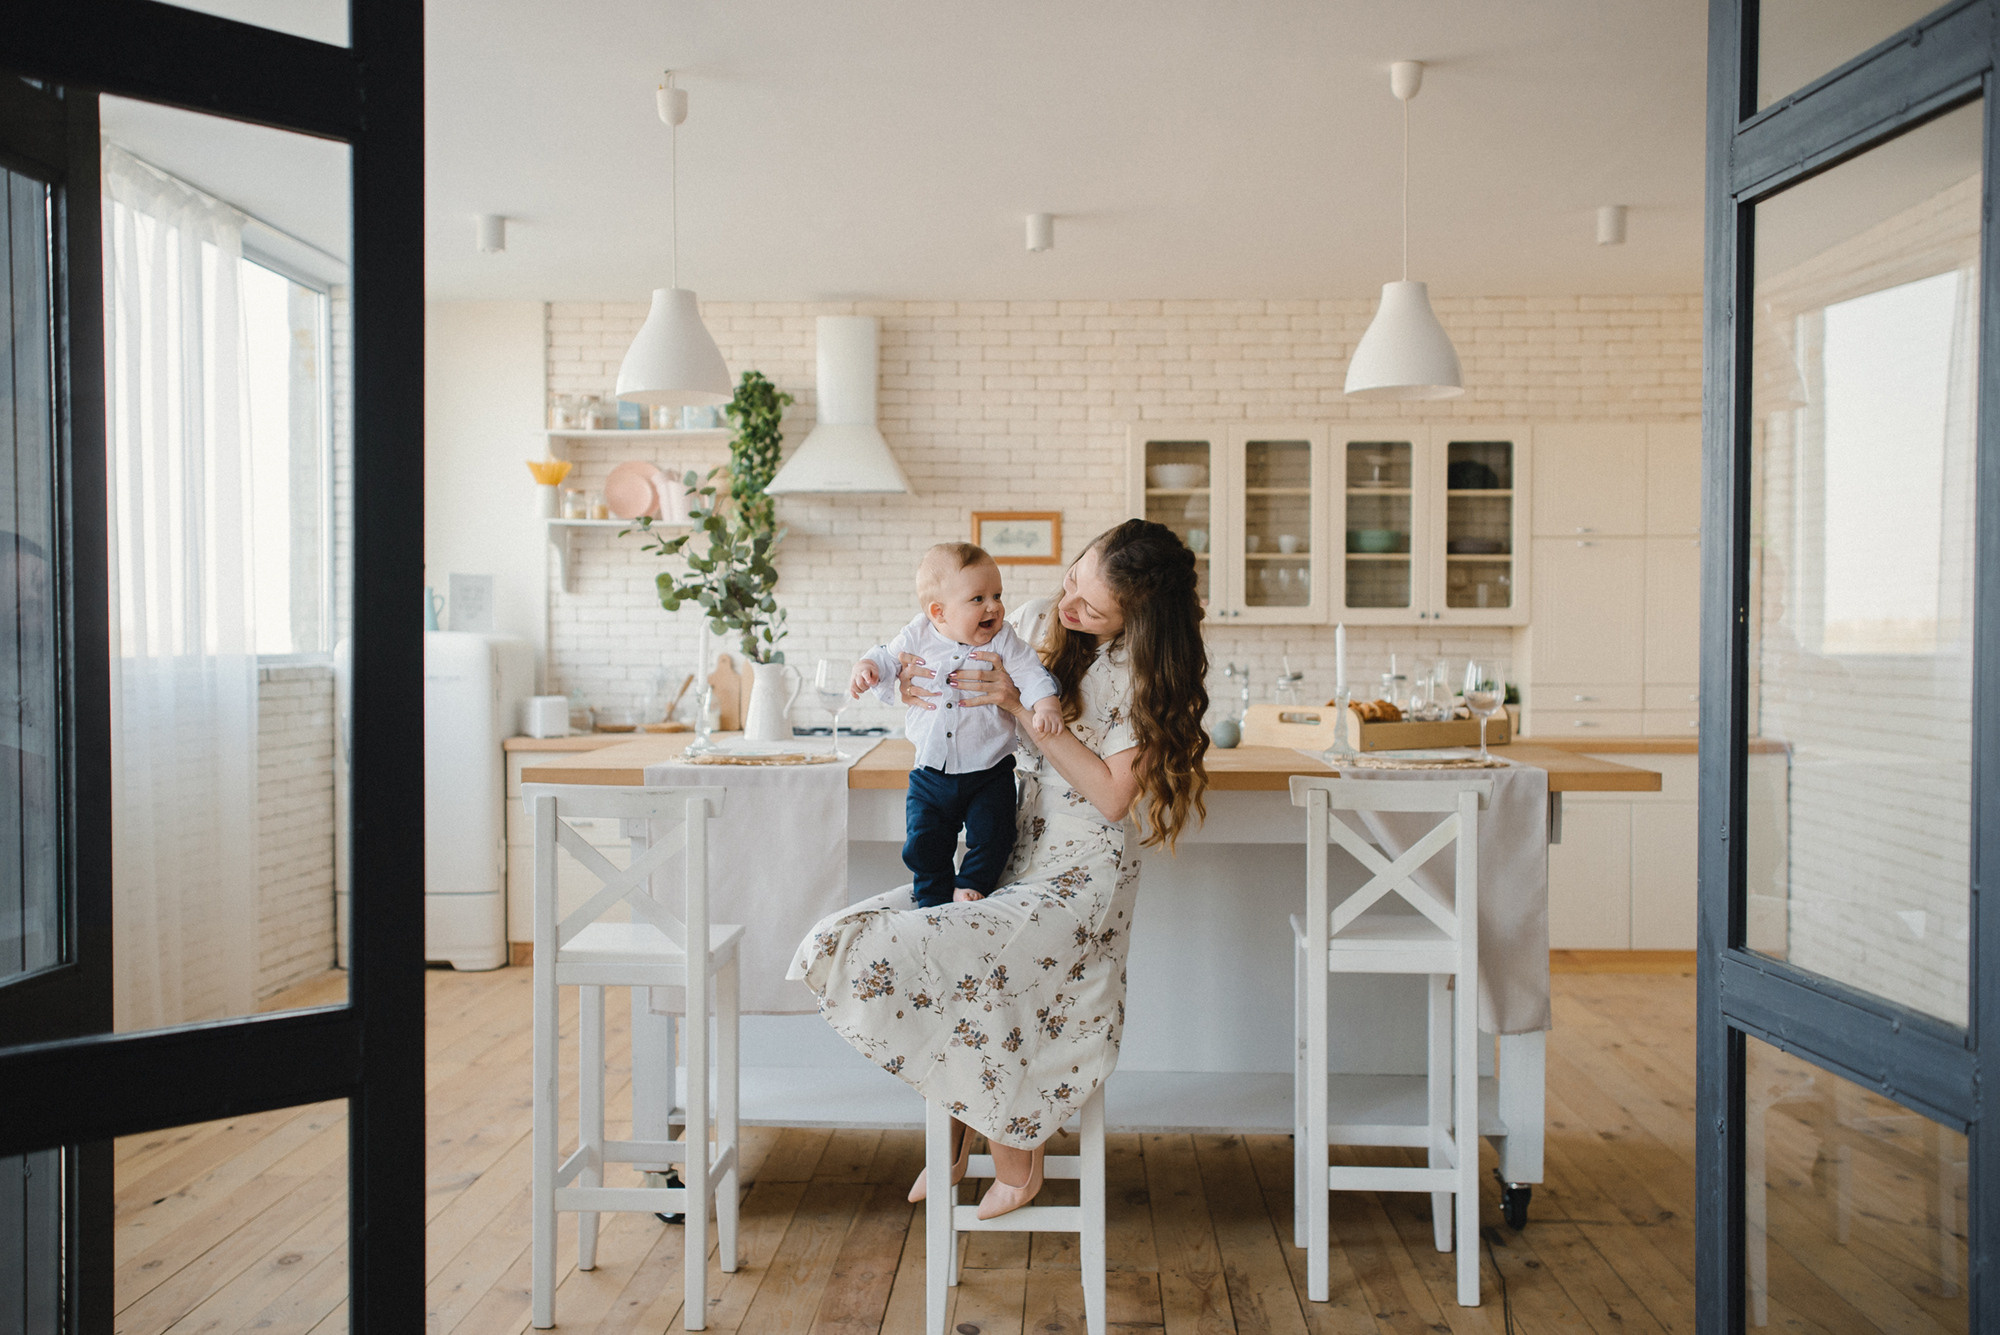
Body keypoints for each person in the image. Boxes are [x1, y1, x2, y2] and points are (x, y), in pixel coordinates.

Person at [789, 519, 1210, 1217]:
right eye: (1072, 580)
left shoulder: (1147, 674)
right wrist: (916, 685)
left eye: (1092, 606)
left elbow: (1110, 795)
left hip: (1082, 876)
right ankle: (958, 1129)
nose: (1070, 606)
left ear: (1135, 615)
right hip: (1018, 846)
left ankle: (1007, 1137)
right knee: (883, 934)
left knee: (955, 949)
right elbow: (942, 656)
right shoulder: (1041, 626)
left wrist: (1014, 702)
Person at [850, 542, 1062, 908]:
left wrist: (1046, 703)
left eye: (997, 595)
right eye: (978, 598)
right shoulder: (917, 633)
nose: (993, 606)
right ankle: (932, 895)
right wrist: (867, 668)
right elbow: (886, 657)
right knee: (924, 839)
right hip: (931, 769)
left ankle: (972, 883)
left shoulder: (1004, 639)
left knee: (996, 834)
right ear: (939, 612)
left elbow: (1031, 671)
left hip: (990, 769)